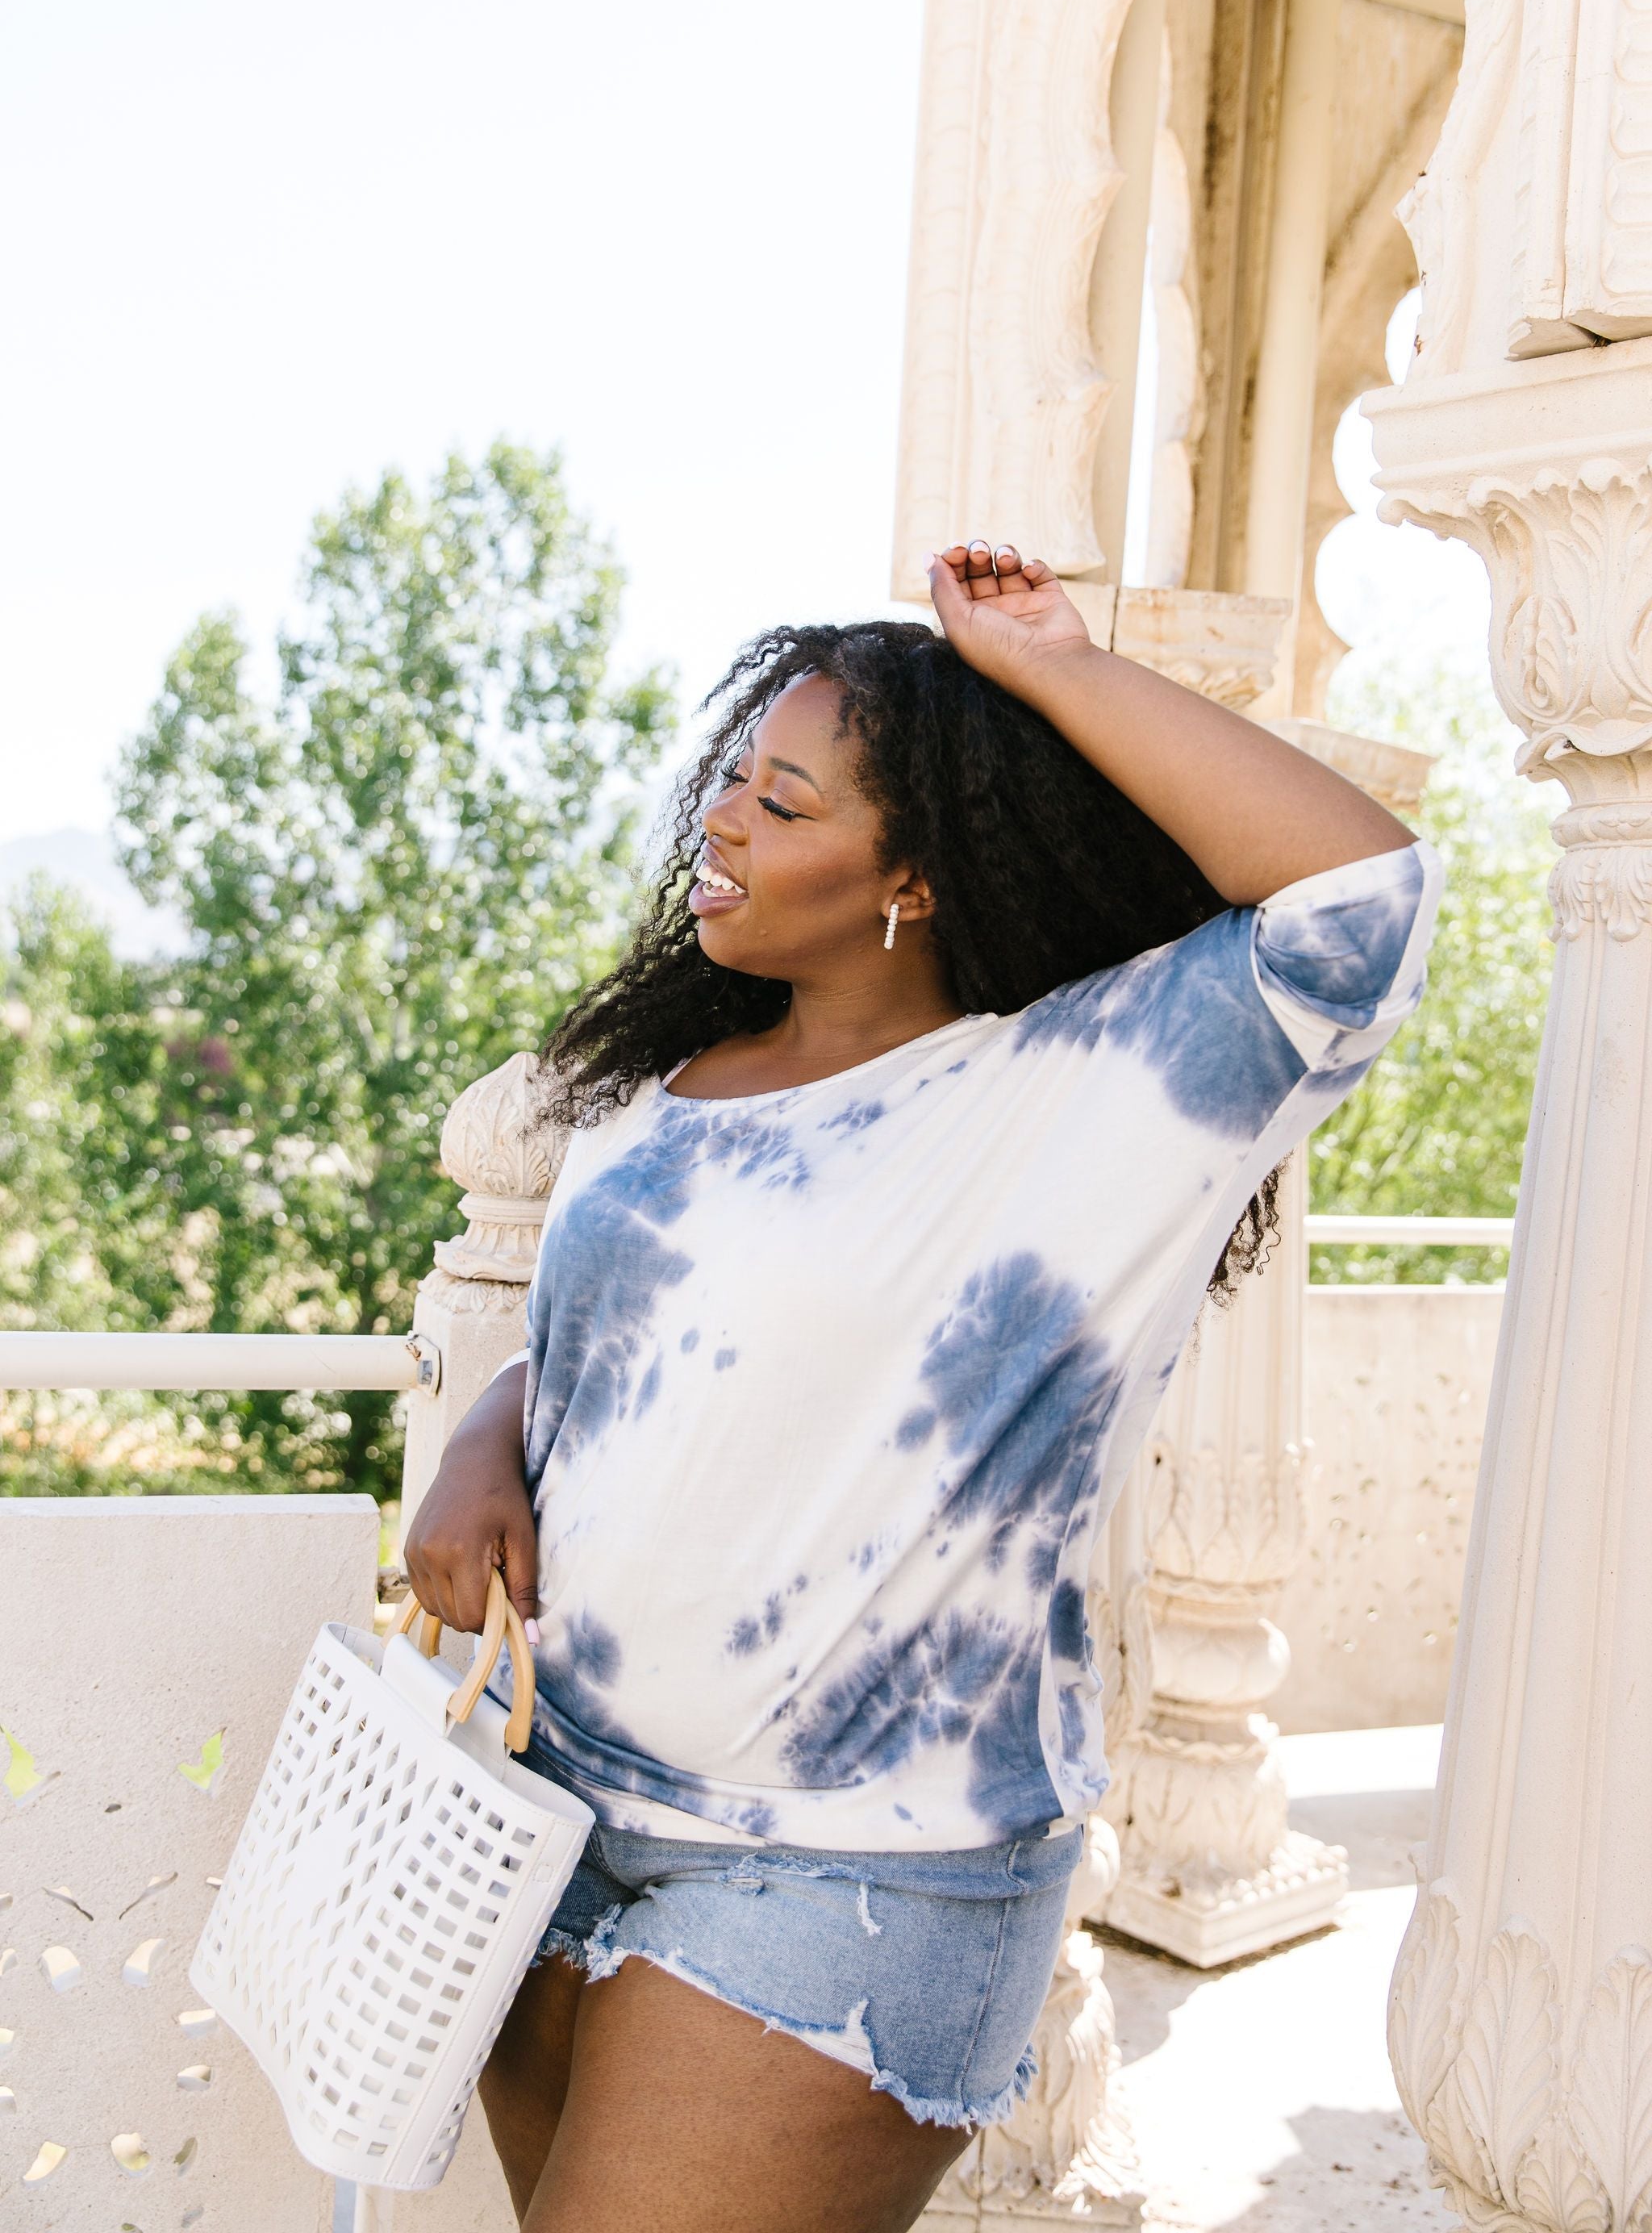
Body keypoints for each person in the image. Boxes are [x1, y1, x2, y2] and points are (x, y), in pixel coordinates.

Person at [405, 541, 1440, 2233]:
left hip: (846, 1865)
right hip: (557, 1805)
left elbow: (1361, 905)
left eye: (786, 803)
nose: (721, 823)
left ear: (920, 876)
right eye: (735, 779)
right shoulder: (666, 1089)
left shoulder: (1077, 1095)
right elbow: (620, 1362)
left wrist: (1055, 668)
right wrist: (479, 1442)